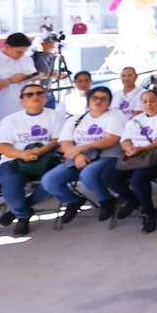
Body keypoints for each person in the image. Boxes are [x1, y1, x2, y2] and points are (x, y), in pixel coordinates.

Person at [40, 86, 127, 224]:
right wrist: (77, 155)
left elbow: (111, 140)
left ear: (109, 102)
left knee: (88, 175)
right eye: (95, 98)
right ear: (88, 101)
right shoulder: (75, 119)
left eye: (103, 99)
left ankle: (106, 200)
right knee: (50, 181)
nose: (98, 101)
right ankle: (73, 201)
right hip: (78, 158)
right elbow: (65, 143)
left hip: (106, 156)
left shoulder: (116, 116)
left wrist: (82, 148)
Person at [0, 83, 65, 235]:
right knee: (11, 183)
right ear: (22, 100)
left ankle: (16, 212)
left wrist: (41, 151)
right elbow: (1, 147)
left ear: (45, 97)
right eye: (29, 94)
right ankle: (23, 216)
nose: (35, 97)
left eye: (39, 93)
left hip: (46, 159)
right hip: (15, 159)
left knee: (52, 181)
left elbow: (57, 140)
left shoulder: (56, 116)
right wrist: (22, 154)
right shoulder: (10, 120)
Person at [0, 31, 39, 196]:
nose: (21, 55)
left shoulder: (26, 58)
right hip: (2, 113)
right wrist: (10, 80)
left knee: (28, 145)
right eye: (18, 52)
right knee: (3, 148)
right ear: (7, 47)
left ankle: (26, 179)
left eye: (24, 52)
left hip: (27, 110)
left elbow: (32, 77)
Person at [118, 90, 157, 232]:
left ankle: (149, 213)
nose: (148, 104)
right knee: (109, 175)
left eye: (152, 100)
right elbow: (125, 139)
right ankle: (132, 200)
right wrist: (129, 148)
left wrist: (144, 148)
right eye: (145, 101)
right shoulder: (136, 119)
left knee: (138, 179)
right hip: (137, 157)